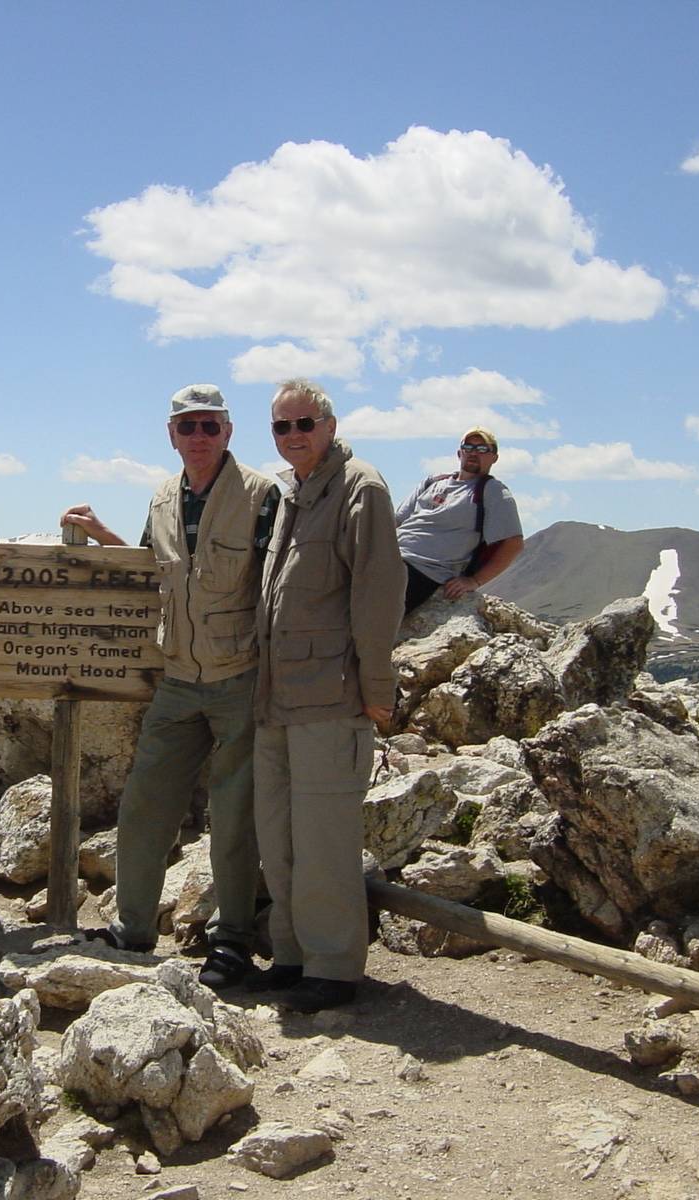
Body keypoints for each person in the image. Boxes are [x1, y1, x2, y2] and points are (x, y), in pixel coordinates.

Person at [61, 384, 279, 990]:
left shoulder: (262, 494)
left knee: (233, 817)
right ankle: (133, 929)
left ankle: (232, 940)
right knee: (144, 805)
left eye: (210, 426)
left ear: (229, 432)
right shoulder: (161, 498)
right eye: (188, 427)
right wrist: (101, 534)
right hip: (178, 678)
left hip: (240, 676)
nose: (200, 437)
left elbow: (277, 585)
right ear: (171, 434)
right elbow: (151, 567)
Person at [246, 378, 404, 1013]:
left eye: (303, 423)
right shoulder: (293, 493)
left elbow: (377, 593)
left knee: (324, 839)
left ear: (330, 426)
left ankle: (334, 966)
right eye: (281, 427)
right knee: (278, 836)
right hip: (275, 697)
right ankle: (291, 954)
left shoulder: (360, 487)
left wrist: (377, 689)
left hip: (332, 695)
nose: (292, 436)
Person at [395, 426, 523, 612]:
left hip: (423, 570)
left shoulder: (492, 491)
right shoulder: (432, 482)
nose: (473, 453)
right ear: (459, 453)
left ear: (494, 457)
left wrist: (474, 581)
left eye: (482, 449)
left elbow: (514, 543)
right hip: (390, 555)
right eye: (468, 447)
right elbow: (396, 521)